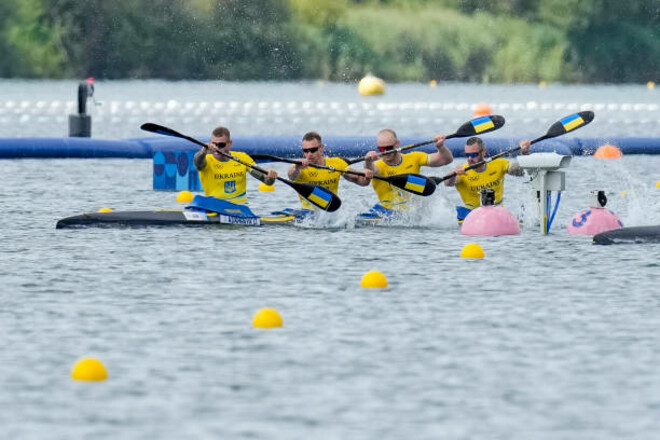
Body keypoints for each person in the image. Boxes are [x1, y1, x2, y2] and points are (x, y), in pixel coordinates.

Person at [363, 128, 453, 215]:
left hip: (411, 213)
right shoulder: (378, 166)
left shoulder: (414, 158)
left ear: (397, 144)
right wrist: (368, 161)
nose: (385, 152)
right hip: (385, 211)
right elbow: (370, 170)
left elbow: (446, 160)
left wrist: (441, 147)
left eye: (388, 148)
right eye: (381, 149)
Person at [444, 136, 531, 221]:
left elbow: (522, 172)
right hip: (471, 217)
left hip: (497, 214)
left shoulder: (499, 164)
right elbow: (447, 183)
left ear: (483, 152)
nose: (469, 159)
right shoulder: (462, 172)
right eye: (467, 155)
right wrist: (453, 173)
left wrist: (525, 154)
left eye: (474, 154)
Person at [193, 126, 278, 205]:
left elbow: (266, 180)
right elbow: (198, 163)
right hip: (215, 207)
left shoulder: (242, 158)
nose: (217, 148)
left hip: (240, 208)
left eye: (221, 145)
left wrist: (270, 177)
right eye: (214, 144)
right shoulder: (206, 160)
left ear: (230, 143)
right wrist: (203, 151)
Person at [287, 131, 373, 210]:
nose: (309, 154)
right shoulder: (299, 166)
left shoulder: (336, 163)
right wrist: (297, 167)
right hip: (307, 213)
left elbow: (360, 181)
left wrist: (366, 176)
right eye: (305, 151)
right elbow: (291, 175)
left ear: (321, 148)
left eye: (313, 150)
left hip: (330, 210)